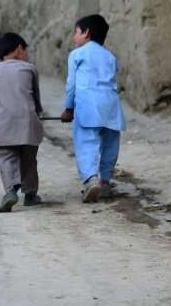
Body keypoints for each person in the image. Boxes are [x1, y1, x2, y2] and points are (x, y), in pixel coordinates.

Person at [61, 14, 125, 203]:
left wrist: (68, 108)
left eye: (76, 32)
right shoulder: (110, 56)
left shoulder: (76, 55)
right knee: (110, 145)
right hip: (111, 107)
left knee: (86, 142)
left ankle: (90, 179)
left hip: (88, 106)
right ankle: (105, 181)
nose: (74, 37)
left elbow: (71, 84)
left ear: (86, 33)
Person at [0, 32, 44, 213]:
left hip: (2, 123)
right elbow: (35, 97)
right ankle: (30, 194)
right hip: (27, 122)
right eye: (26, 50)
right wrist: (39, 113)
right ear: (19, 49)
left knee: (5, 157)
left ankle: (10, 191)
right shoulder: (29, 69)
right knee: (28, 159)